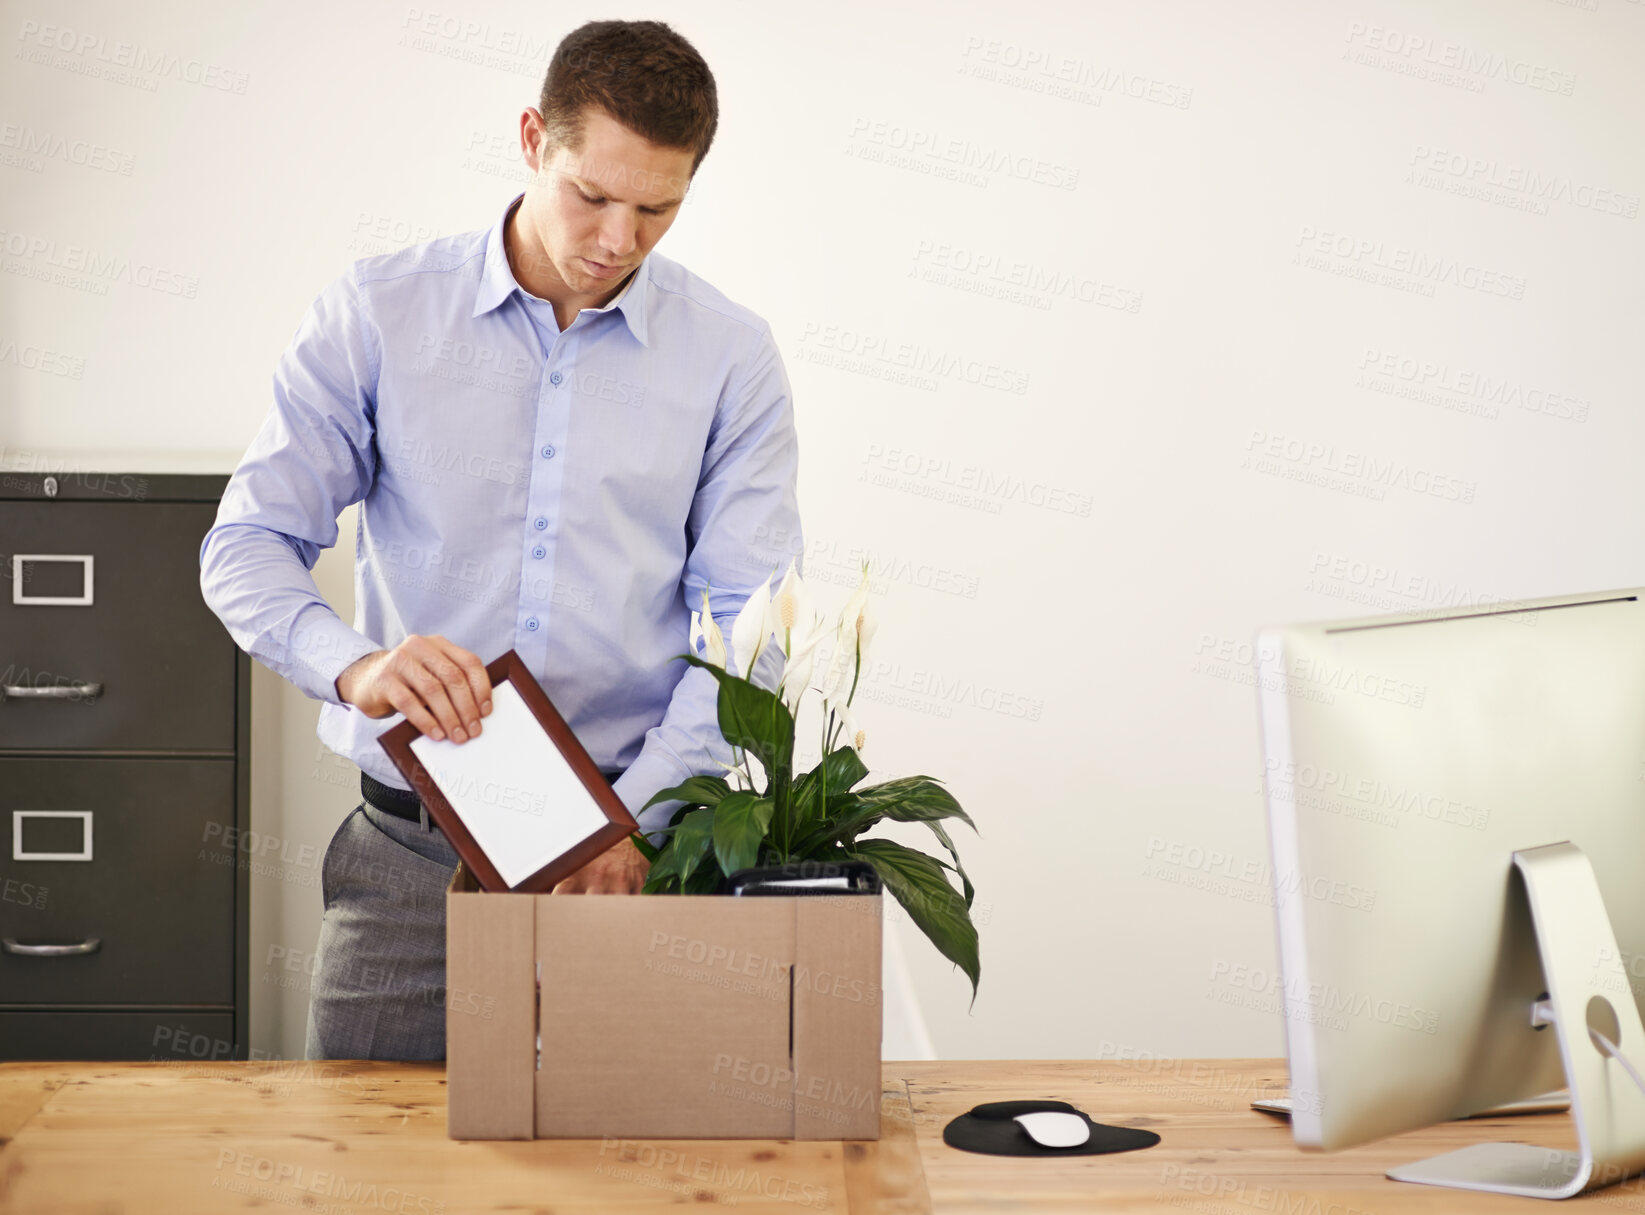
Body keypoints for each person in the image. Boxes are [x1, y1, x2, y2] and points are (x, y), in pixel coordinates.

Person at [199, 19, 800, 1061]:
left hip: (631, 863)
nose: (618, 240)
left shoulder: (731, 359)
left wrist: (629, 825)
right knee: (364, 1174)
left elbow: (747, 630)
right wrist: (360, 666)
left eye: (657, 209)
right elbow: (246, 545)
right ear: (533, 138)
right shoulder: (377, 315)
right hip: (408, 866)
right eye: (593, 196)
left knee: (630, 1180)